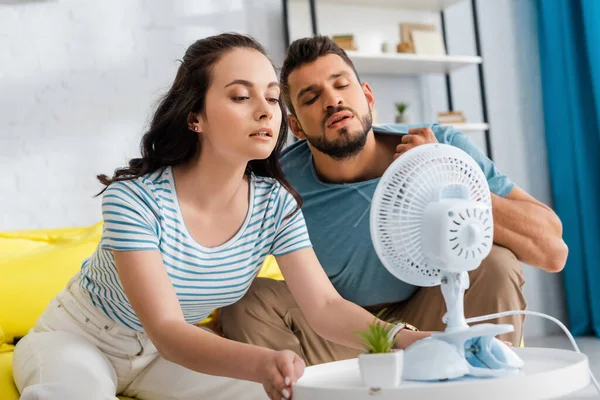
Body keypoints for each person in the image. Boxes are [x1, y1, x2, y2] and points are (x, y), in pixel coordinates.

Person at [11, 33, 430, 400]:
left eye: (271, 96)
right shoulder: (135, 200)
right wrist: (262, 361)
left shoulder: (276, 206)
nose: (265, 111)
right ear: (195, 116)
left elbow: (324, 306)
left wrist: (405, 340)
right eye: (240, 96)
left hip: (163, 356)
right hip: (81, 340)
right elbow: (167, 328)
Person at [220, 35, 569, 365]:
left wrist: (443, 173)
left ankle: (483, 381)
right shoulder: (278, 179)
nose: (332, 101)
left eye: (342, 85)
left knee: (494, 263)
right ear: (295, 127)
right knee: (248, 301)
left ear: (368, 97)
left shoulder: (439, 145)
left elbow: (552, 251)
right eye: (312, 97)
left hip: (437, 314)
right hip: (340, 330)